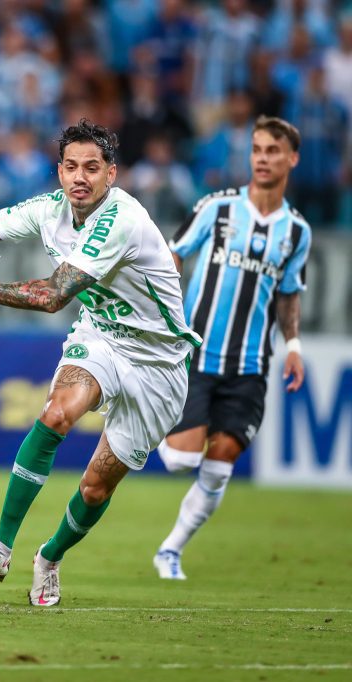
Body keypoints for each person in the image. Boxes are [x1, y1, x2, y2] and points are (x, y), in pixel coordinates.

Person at [0, 119, 200, 607]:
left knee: (96, 488)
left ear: (111, 174)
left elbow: (53, 295)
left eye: (92, 168)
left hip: (159, 364)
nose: (80, 177)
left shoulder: (122, 219)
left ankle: (50, 557)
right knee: (56, 413)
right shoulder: (49, 209)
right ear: (59, 172)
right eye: (71, 166)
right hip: (100, 338)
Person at [153, 116, 311, 580]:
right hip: (198, 354)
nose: (262, 158)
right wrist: (163, 310)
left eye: (273, 151)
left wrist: (294, 344)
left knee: (221, 461)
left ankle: (170, 550)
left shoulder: (296, 232)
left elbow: (288, 293)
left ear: (292, 159)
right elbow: (173, 253)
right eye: (257, 149)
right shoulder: (218, 208)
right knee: (181, 460)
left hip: (250, 364)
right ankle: (148, 415)